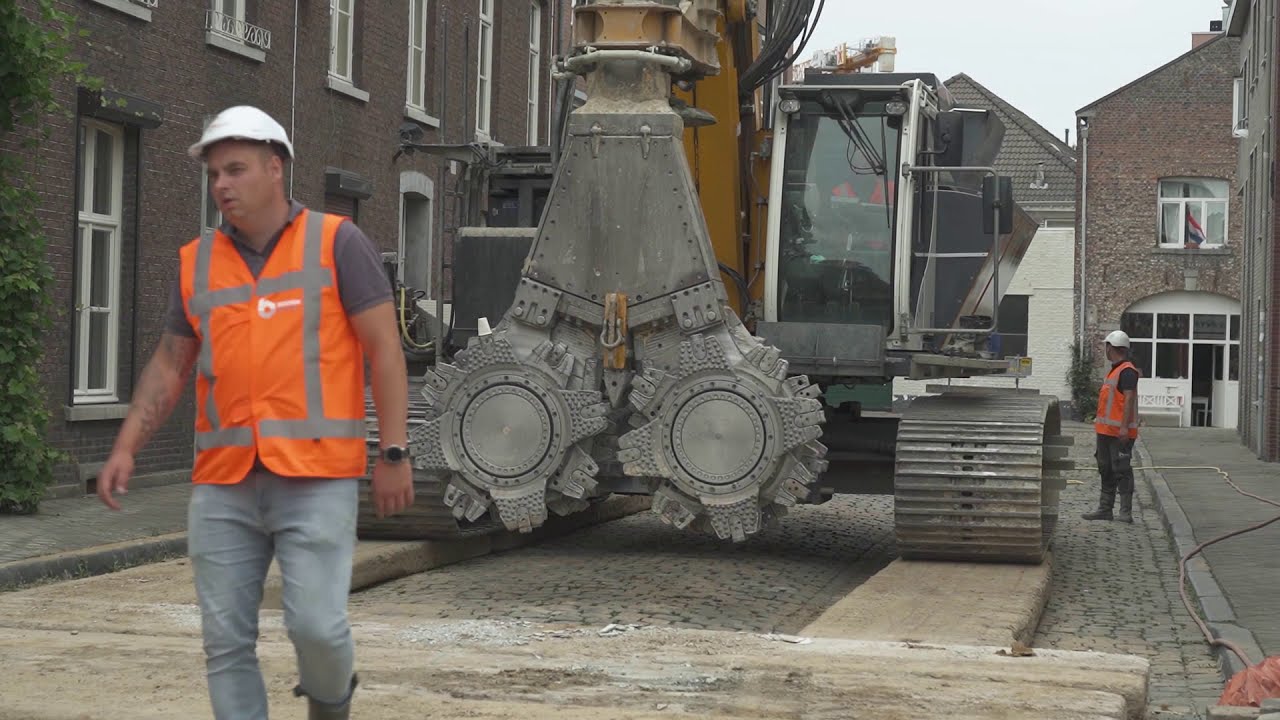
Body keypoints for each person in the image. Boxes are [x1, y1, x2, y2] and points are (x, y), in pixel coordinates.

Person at [96, 105, 415, 720]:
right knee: (225, 645)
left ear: (276, 168)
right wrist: (126, 446)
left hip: (318, 479)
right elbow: (169, 364)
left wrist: (394, 452)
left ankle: (330, 706)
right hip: (223, 485)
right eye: (215, 174)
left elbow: (384, 351)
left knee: (317, 628)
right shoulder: (197, 261)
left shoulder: (337, 243)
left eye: (235, 170)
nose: (222, 185)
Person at [1083, 329, 1140, 524]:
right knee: (1105, 469)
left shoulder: (1127, 371)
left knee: (1121, 469)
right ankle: (1105, 509)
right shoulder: (1114, 371)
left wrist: (1124, 428)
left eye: (1106, 346)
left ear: (1111, 348)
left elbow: (1129, 399)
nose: (1105, 350)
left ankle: (1125, 512)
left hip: (1120, 433)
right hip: (1105, 432)